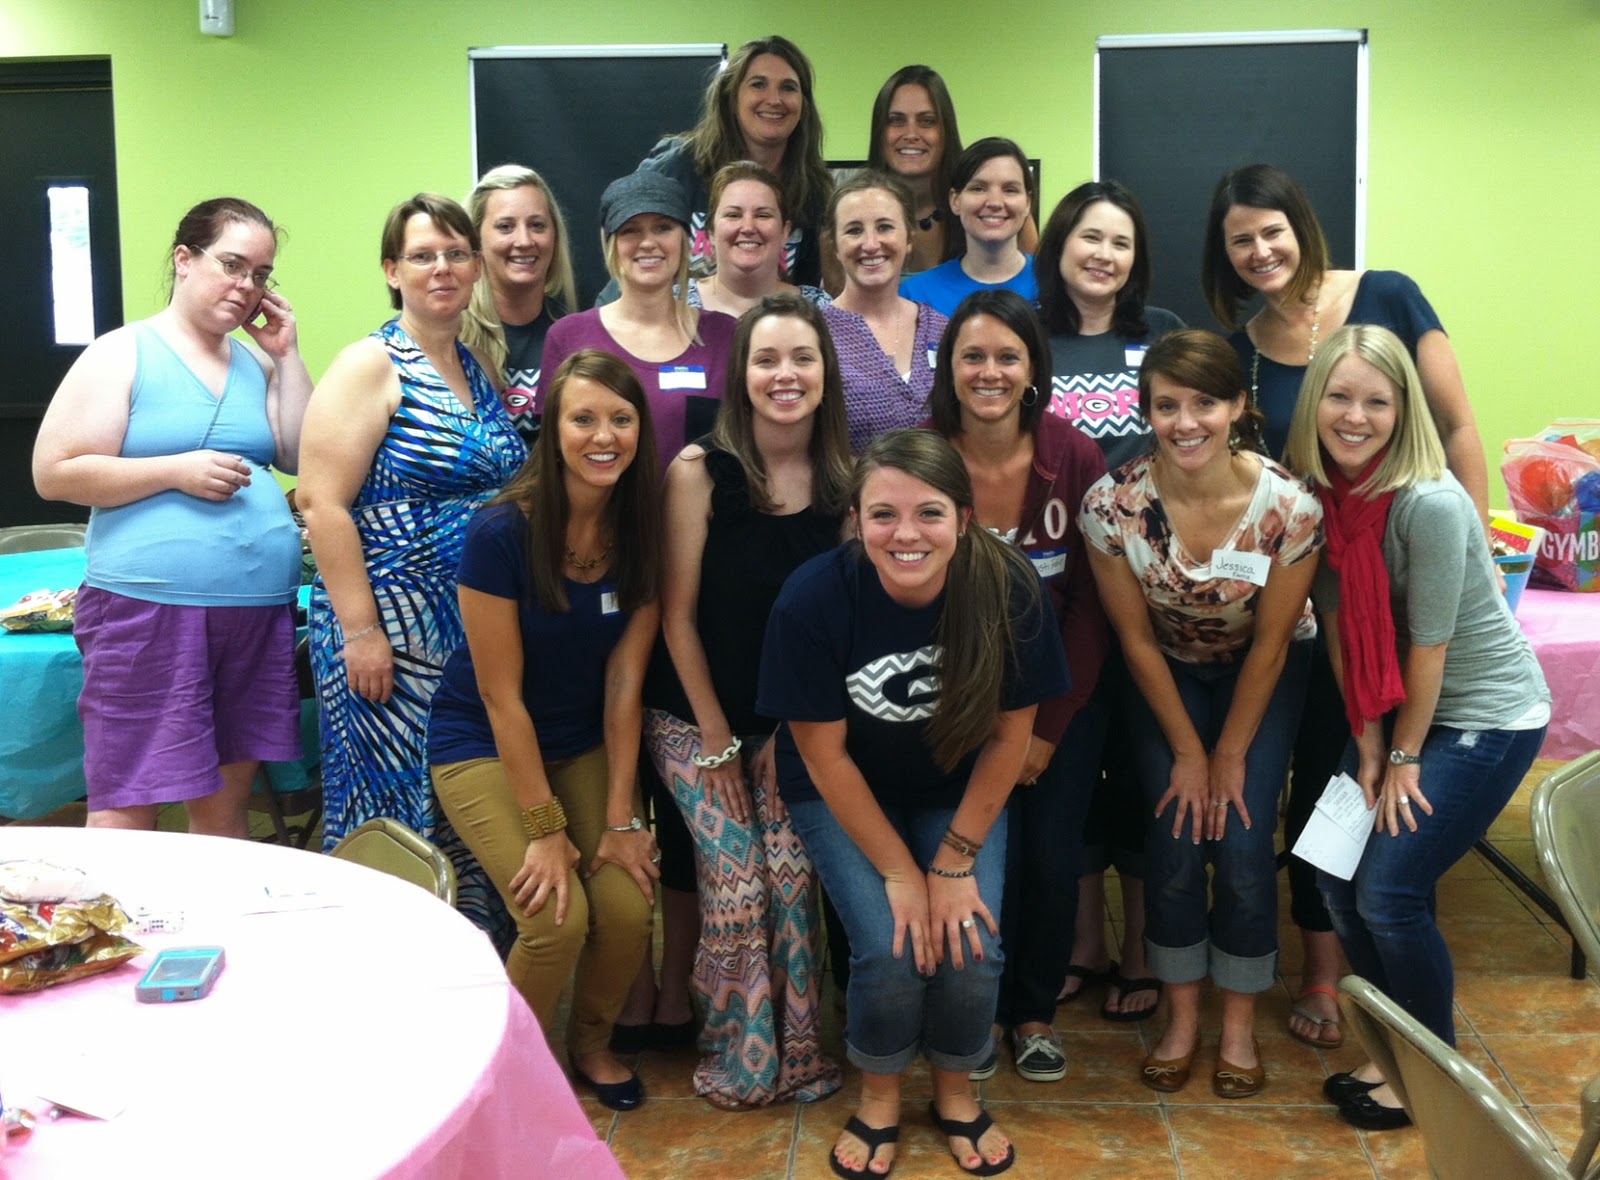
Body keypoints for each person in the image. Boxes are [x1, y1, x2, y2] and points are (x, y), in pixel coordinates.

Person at [1202, 162, 1489, 1047]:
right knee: (1327, 783)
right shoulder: (1245, 347)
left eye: (1272, 230)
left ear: (1302, 225)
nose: (1260, 250)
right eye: (1240, 240)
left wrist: (1472, 560)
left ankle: (1381, 970)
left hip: (1410, 591)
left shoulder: (1387, 294)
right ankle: (1324, 971)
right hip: (1321, 602)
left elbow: (1458, 428)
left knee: (1393, 787)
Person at [759, 429, 1069, 1178]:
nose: (906, 534)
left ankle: (956, 1091)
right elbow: (823, 756)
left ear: (964, 518)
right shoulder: (812, 598)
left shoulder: (1009, 586)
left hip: (955, 789)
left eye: (928, 513)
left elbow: (1010, 739)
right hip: (842, 789)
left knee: (970, 942)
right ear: (855, 521)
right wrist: (902, 874)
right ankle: (880, 1097)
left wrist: (954, 863)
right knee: (892, 946)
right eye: (883, 514)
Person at [1283, 324, 1550, 1131]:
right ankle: (1394, 1045)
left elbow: (1429, 645)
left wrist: (1400, 756)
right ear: (1315, 401)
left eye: (1377, 401)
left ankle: (1433, 1071)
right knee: (1332, 874)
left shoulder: (1428, 503)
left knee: (1391, 891)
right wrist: (1367, 743)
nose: (1355, 416)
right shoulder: (1321, 499)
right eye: (1339, 396)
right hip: (1391, 712)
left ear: (1404, 413)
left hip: (1485, 716)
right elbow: (1338, 629)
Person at [1079, 329, 1321, 1099]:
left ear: (1239, 406)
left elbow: (1273, 644)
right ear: (1146, 411)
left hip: (1263, 671)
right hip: (1166, 671)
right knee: (1176, 839)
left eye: (1205, 404)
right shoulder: (1111, 505)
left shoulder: (1290, 507)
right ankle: (1182, 1020)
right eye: (1167, 405)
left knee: (1244, 844)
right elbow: (1132, 639)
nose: (1186, 423)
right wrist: (1189, 752)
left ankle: (1239, 1027)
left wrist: (1230, 755)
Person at [427, 349, 663, 1112]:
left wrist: (622, 819)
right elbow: (500, 696)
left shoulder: (641, 532)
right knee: (555, 917)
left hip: (583, 743)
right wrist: (544, 827)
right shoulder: (501, 531)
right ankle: (504, 1081)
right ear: (554, 429)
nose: (604, 436)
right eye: (583, 419)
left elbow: (625, 686)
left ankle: (590, 1044)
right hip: (482, 744)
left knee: (626, 905)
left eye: (621, 419)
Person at [33, 197, 311, 837]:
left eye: (261, 275)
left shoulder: (255, 363)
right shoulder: (123, 353)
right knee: (129, 801)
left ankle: (215, 910)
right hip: (149, 611)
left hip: (254, 614)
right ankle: (111, 910)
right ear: (185, 260)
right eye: (232, 265)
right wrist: (174, 471)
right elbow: (55, 473)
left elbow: (299, 455)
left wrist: (288, 355)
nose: (246, 287)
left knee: (225, 805)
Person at [297, 193, 527, 944]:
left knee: (465, 804)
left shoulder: (475, 361)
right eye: (424, 255)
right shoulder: (370, 364)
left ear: (476, 267)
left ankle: (470, 964)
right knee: (394, 806)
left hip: (465, 630)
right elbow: (322, 503)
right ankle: (385, 971)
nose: (443, 268)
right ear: (392, 270)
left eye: (457, 254)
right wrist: (362, 631)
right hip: (387, 636)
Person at [540, 170, 735, 1051]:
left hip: (701, 594)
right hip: (601, 589)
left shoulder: (726, 336)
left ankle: (679, 983)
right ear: (609, 244)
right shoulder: (573, 337)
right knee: (613, 785)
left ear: (690, 241)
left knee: (686, 808)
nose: (648, 243)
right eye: (630, 231)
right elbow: (557, 456)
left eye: (663, 227)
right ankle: (625, 980)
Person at [640, 293, 849, 1108]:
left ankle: (796, 1055)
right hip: (692, 716)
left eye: (802, 358)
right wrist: (721, 738)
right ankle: (739, 1055)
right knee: (738, 883)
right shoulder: (698, 473)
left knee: (793, 880)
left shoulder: (846, 482)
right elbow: (676, 617)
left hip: (791, 723)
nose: (784, 375)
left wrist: (787, 734)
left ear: (825, 373)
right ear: (742, 376)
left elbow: (837, 634)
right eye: (767, 359)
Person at [928, 290, 1109, 1083]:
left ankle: (1033, 1013)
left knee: (1049, 859)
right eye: (972, 356)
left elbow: (1092, 604)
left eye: (1008, 356)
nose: (990, 372)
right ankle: (970, 1013)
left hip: (1060, 703)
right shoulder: (921, 455)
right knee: (968, 856)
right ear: (949, 368)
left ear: (1034, 369)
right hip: (952, 704)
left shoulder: (1076, 456)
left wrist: (1046, 727)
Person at [1034, 179, 1184, 1020]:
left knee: (1142, 770)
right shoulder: (1030, 337)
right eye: (1090, 237)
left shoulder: (1161, 335)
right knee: (1070, 770)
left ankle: (1141, 949)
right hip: (1059, 602)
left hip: (1154, 600)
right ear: (1060, 245)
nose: (1104, 254)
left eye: (1121, 242)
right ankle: (1084, 941)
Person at [631, 36, 832, 290]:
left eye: (789, 87)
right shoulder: (676, 168)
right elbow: (630, 253)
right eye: (758, 84)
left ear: (804, 104)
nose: (774, 99)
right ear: (732, 97)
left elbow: (805, 290)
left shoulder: (813, 192)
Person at [865, 66, 1039, 275]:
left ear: (946, 130)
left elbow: (1035, 286)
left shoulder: (995, 212)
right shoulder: (851, 215)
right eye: (896, 120)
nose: (911, 134)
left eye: (927, 121)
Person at [822, 170, 948, 452]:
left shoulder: (942, 329)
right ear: (836, 247)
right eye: (854, 230)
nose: (870, 244)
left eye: (885, 227)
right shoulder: (815, 334)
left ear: (909, 239)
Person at [459, 164, 577, 443]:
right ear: (476, 239)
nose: (524, 241)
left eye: (537, 225)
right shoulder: (446, 335)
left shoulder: (575, 335)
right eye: (505, 227)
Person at [899, 138, 1038, 318]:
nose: (995, 202)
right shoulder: (916, 295)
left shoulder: (1055, 282)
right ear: (955, 201)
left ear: (1027, 203)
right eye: (978, 188)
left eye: (1010, 190)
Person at [687, 161, 830, 316]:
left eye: (763, 215)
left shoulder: (821, 310)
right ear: (711, 232)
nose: (748, 227)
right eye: (733, 215)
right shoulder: (675, 302)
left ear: (785, 232)